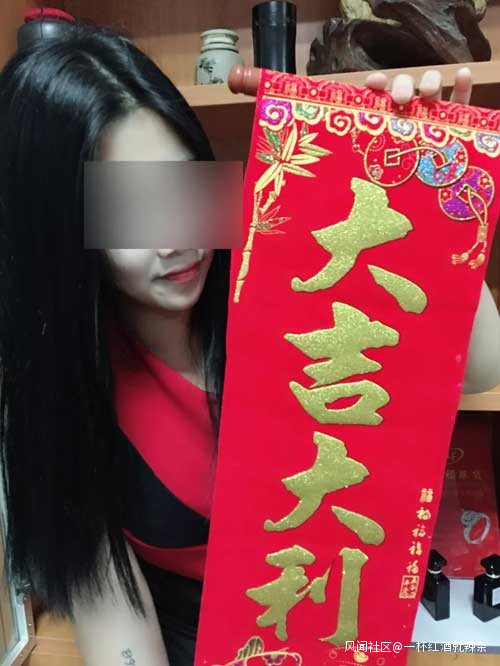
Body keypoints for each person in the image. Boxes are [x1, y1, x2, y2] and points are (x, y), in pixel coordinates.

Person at [0, 22, 499, 666]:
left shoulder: (286, 259)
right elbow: (115, 616)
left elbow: (483, 368)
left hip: (344, 617)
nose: (176, 237)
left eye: (182, 187)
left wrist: (437, 192)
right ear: (59, 232)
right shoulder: (65, 389)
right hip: (201, 638)